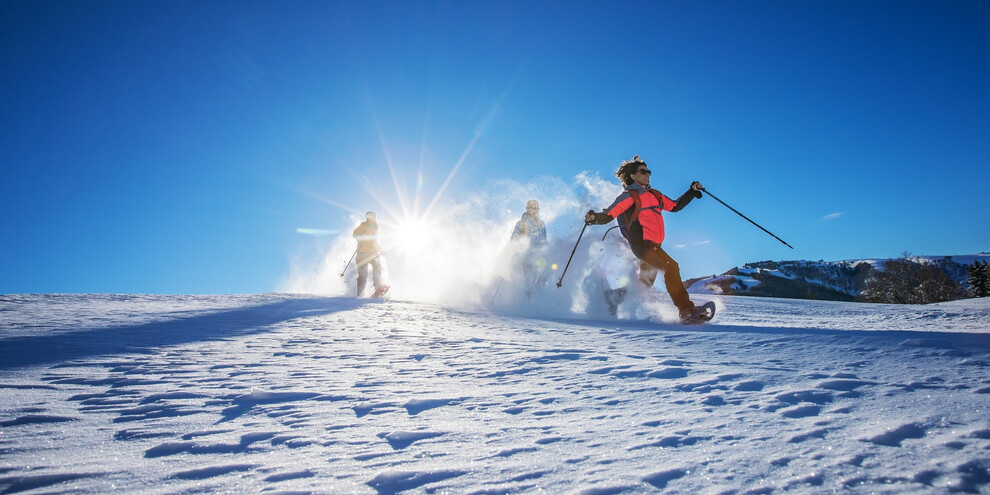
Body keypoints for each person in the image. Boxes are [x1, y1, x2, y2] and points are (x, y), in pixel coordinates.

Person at [584, 156, 704, 320]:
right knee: (671, 267)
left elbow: (675, 206)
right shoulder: (629, 196)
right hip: (641, 245)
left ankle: (611, 299)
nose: (647, 174)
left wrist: (692, 191)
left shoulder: (655, 195)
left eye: (649, 171)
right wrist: (594, 218)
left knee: (643, 284)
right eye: (643, 171)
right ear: (633, 176)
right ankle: (686, 310)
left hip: (655, 246)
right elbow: (609, 214)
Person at [510, 199, 549, 290]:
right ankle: (527, 298)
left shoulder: (541, 223)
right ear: (527, 209)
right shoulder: (521, 223)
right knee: (529, 280)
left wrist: (548, 251)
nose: (535, 210)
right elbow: (513, 240)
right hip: (526, 257)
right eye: (532, 208)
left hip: (539, 256)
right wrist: (519, 244)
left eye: (536, 208)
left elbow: (544, 240)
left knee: (550, 268)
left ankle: (539, 290)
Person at [352, 212, 388, 297]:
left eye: (373, 216)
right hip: (362, 253)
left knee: (377, 267)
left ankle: (378, 288)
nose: (372, 218)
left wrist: (381, 250)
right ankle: (360, 294)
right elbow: (354, 234)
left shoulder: (376, 229)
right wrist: (361, 236)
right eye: (370, 216)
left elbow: (374, 242)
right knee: (363, 274)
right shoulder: (363, 226)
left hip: (372, 253)